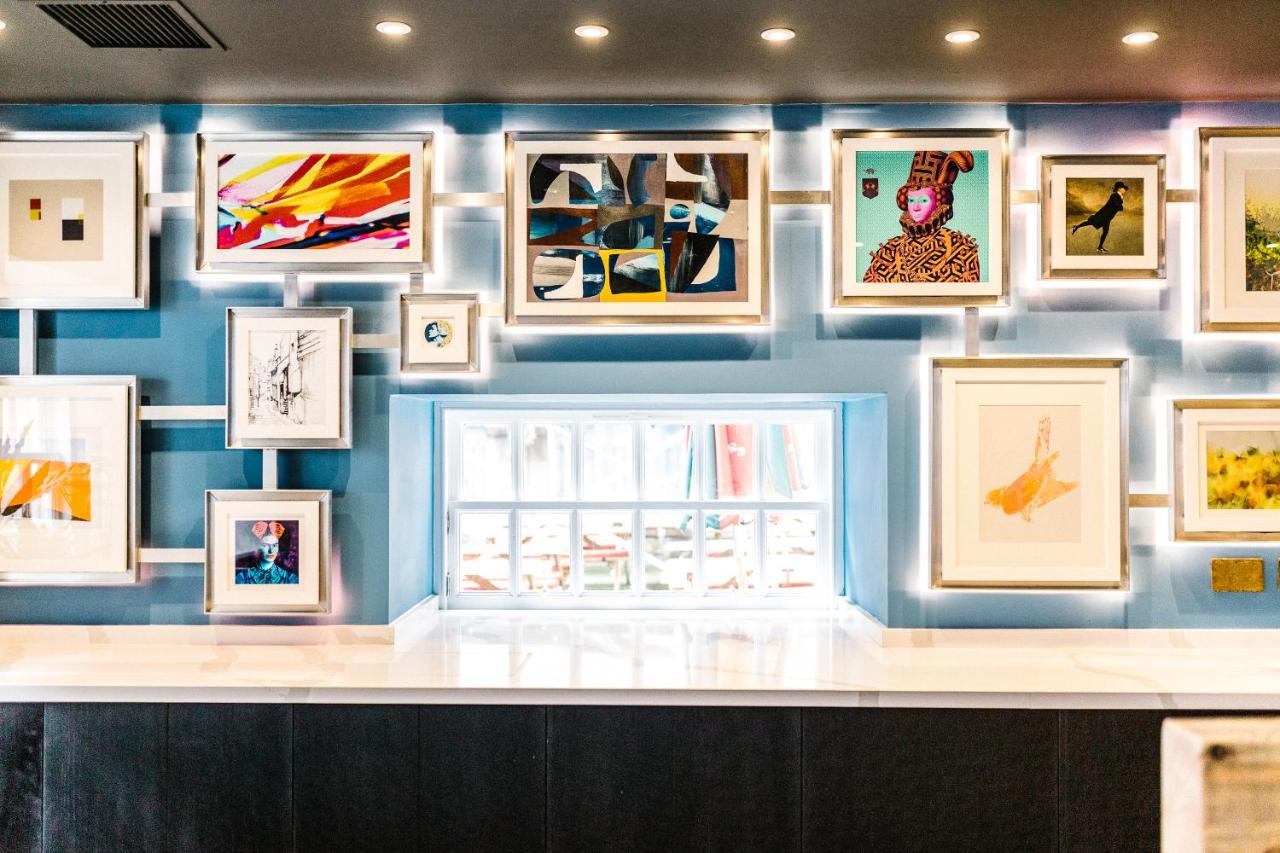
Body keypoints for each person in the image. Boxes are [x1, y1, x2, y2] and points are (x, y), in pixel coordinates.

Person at [863, 150, 980, 283]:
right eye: (911, 200)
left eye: (924, 200)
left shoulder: (961, 248)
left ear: (938, 203)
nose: (916, 207)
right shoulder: (889, 250)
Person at [1071, 181, 1127, 253]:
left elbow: (1119, 207)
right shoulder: (1114, 196)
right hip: (1104, 215)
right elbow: (1119, 207)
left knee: (1095, 225)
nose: (1124, 190)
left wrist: (1120, 203)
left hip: (1107, 216)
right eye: (1123, 188)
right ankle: (1099, 247)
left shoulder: (1119, 196)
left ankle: (1076, 227)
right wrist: (1120, 205)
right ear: (1119, 188)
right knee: (1093, 224)